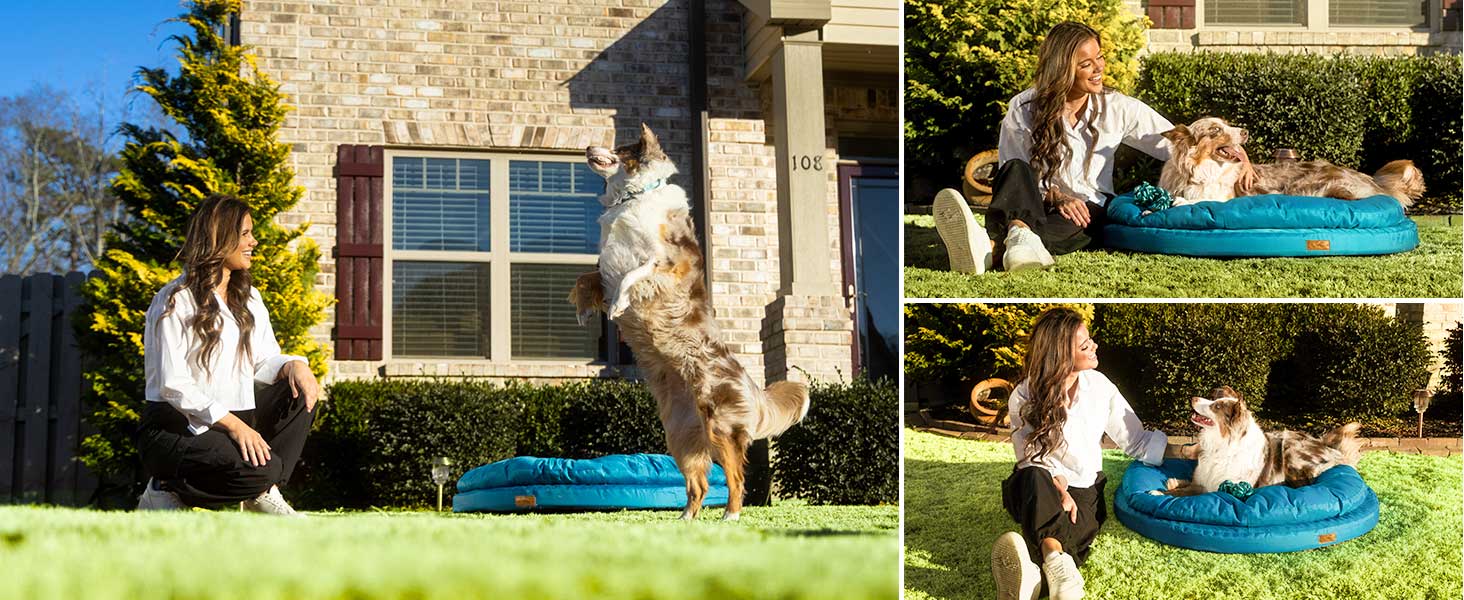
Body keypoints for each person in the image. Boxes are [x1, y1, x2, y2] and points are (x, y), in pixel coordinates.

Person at [932, 22, 1253, 274]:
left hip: (1088, 207)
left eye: (1099, 57)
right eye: (1087, 63)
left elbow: (1178, 143)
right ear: (1061, 70)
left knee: (1079, 221)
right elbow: (1014, 175)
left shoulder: (1118, 107)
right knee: (1015, 170)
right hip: (1035, 201)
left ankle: (994, 245)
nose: (1099, 68)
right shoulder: (1023, 107)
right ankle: (1016, 238)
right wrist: (1056, 196)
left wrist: (1238, 156)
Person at [135, 195, 321, 515]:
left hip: (233, 421)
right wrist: (235, 426)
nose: (254, 241)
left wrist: (293, 365)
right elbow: (172, 383)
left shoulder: (250, 298)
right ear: (218, 238)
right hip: (176, 428)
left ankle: (263, 491)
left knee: (299, 395)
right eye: (245, 233)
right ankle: (163, 488)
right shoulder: (175, 300)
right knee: (263, 470)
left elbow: (263, 360)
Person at [991, 307, 1193, 600]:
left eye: (1090, 340)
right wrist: (1060, 490)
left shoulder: (1100, 387)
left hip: (1084, 485)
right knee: (1035, 478)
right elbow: (1029, 457)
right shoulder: (1024, 394)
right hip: (1037, 485)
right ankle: (1059, 572)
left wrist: (1187, 451)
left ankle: (1039, 576)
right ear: (1061, 354)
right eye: (1084, 345)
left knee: (1079, 528)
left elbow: (1136, 440)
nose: (1094, 346)